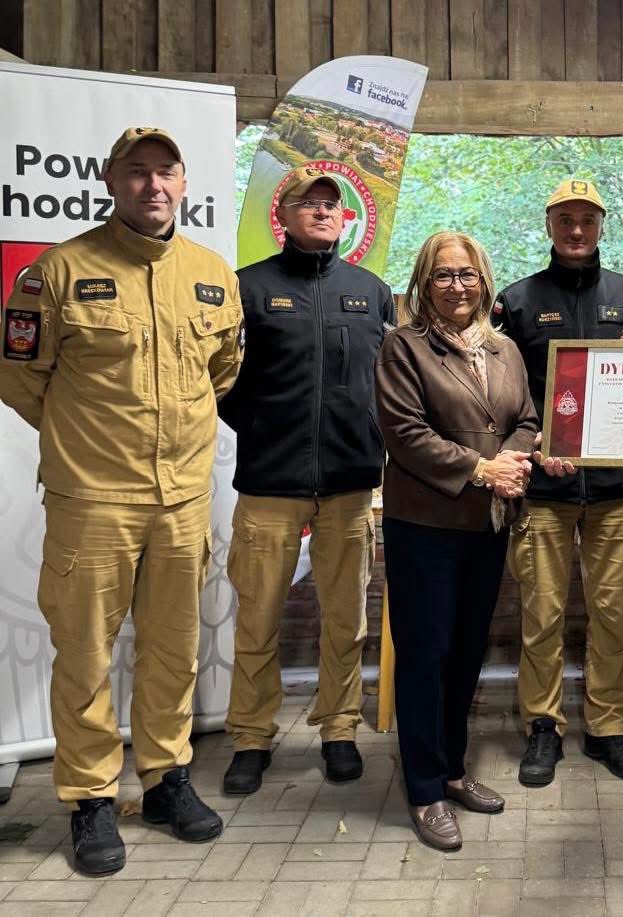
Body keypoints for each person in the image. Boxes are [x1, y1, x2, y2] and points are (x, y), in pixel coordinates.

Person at [0, 127, 243, 875]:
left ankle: (167, 780)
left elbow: (224, 369)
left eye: (164, 172)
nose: (152, 185)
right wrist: (86, 440)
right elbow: (19, 376)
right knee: (84, 654)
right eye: (135, 173)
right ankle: (89, 798)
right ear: (110, 181)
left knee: (173, 650)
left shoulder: (210, 273)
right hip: (92, 500)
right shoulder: (59, 272)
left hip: (180, 501)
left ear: (184, 182)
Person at [218, 165, 394, 793]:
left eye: (332, 204)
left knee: (345, 617)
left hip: (349, 482)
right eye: (308, 203)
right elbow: (223, 384)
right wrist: (265, 428)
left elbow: (388, 384)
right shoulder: (248, 288)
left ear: (346, 218)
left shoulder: (372, 291)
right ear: (283, 216)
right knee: (258, 616)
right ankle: (251, 736)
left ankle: (339, 728)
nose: (323, 211)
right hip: (269, 482)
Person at [375, 231, 537, 850]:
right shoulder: (403, 347)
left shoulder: (504, 350)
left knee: (467, 650)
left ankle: (452, 770)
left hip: (485, 525)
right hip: (426, 527)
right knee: (424, 655)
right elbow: (405, 433)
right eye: (443, 276)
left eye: (467, 275)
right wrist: (481, 469)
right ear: (424, 283)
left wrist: (514, 461)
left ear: (484, 280)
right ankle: (422, 790)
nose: (457, 286)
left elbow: (525, 418)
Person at [495, 179, 623, 787]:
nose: (576, 230)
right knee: (543, 613)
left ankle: (608, 728)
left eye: (587, 219)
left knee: (614, 614)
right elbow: (503, 396)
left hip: (613, 491)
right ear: (549, 224)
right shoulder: (516, 300)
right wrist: (535, 444)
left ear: (601, 225)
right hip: (545, 491)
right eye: (565, 219)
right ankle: (542, 727)